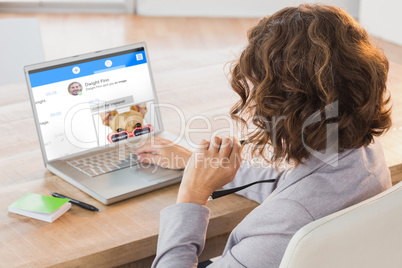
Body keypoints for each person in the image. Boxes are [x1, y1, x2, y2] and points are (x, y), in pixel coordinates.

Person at [135, 4, 392, 267]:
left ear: (286, 105)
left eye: (260, 90)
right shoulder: (366, 155)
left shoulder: (285, 226)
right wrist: (198, 164)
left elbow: (290, 208)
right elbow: (291, 187)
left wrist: (192, 194)